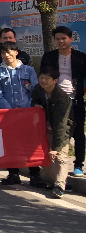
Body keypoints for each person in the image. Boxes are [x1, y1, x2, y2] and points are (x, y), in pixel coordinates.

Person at [0, 41, 40, 186]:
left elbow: (35, 90)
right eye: (3, 53)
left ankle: (35, 175)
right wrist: (10, 111)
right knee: (11, 144)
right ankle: (13, 174)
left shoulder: (28, 70)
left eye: (9, 52)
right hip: (9, 115)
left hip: (27, 113)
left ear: (16, 52)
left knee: (30, 144)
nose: (7, 55)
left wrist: (28, 108)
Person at [40, 26, 85, 178]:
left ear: (71, 39)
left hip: (75, 99)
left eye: (64, 38)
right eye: (58, 39)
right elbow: (44, 77)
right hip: (56, 101)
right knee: (57, 133)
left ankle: (78, 165)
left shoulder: (80, 57)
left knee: (78, 133)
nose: (61, 41)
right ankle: (57, 168)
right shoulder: (49, 57)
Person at [34, 64, 74, 198]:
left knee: (60, 157)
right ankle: (60, 181)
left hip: (62, 129)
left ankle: (59, 186)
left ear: (55, 80)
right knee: (43, 158)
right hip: (43, 128)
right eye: (42, 77)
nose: (43, 80)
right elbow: (34, 101)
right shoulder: (38, 90)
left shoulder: (62, 98)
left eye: (47, 78)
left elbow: (61, 125)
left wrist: (56, 148)